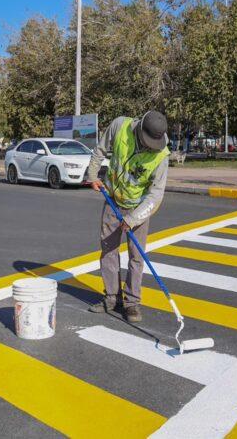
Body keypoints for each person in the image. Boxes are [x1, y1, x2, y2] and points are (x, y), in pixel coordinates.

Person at [86, 111, 170, 323]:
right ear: (140, 131)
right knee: (108, 251)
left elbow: (156, 194)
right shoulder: (119, 125)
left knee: (136, 256)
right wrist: (93, 175)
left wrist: (133, 218)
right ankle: (111, 297)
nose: (151, 146)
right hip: (113, 198)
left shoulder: (161, 156)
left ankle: (132, 302)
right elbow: (100, 150)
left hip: (139, 208)